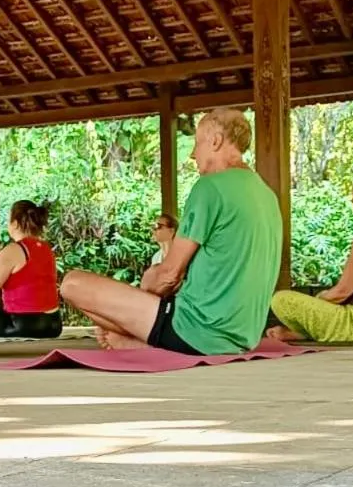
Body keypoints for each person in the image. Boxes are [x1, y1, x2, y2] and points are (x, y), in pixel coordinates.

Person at [60, 107, 281, 355]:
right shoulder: (267, 195)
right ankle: (136, 340)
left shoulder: (209, 187)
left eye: (197, 144)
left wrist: (137, 297)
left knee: (72, 284)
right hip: (243, 336)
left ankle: (138, 341)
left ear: (216, 141)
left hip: (195, 330)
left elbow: (169, 275)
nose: (192, 155)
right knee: (120, 312)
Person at [265, 168, 353, 345]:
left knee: (281, 300)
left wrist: (316, 302)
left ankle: (304, 332)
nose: (352, 199)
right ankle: (301, 333)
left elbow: (341, 292)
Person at [0, 200, 62, 339]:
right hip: (54, 324)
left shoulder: (15, 249)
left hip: (24, 324)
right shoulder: (46, 248)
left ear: (15, 223)